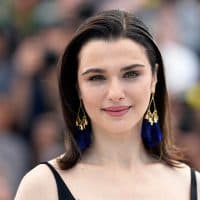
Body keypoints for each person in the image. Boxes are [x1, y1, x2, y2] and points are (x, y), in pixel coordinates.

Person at [15, 9, 200, 200]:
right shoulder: (42, 187)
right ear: (77, 87)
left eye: (131, 74)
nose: (115, 93)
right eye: (96, 77)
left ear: (154, 78)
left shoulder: (191, 184)